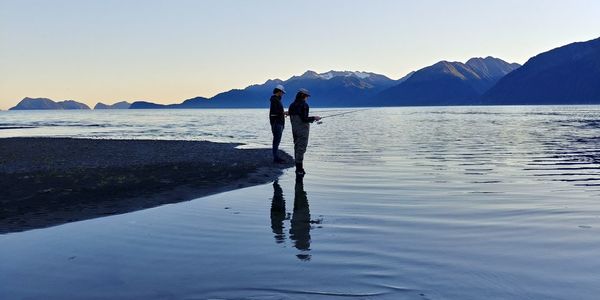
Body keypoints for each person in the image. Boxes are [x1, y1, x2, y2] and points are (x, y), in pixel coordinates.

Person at [288, 88, 321, 175]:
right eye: (307, 96)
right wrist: (314, 118)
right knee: (301, 148)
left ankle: (298, 168)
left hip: (294, 129)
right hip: (302, 130)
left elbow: (293, 115)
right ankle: (299, 169)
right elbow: (304, 119)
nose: (307, 98)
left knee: (296, 146)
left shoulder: (291, 105)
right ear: (303, 96)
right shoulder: (304, 105)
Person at [269, 84, 287, 163]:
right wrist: (283, 113)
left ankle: (276, 157)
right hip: (277, 124)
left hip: (278, 123)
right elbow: (274, 113)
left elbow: (276, 113)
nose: (283, 94)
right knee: (276, 140)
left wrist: (283, 113)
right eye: (282, 92)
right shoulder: (275, 100)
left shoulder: (276, 100)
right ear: (279, 92)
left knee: (276, 140)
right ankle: (275, 158)